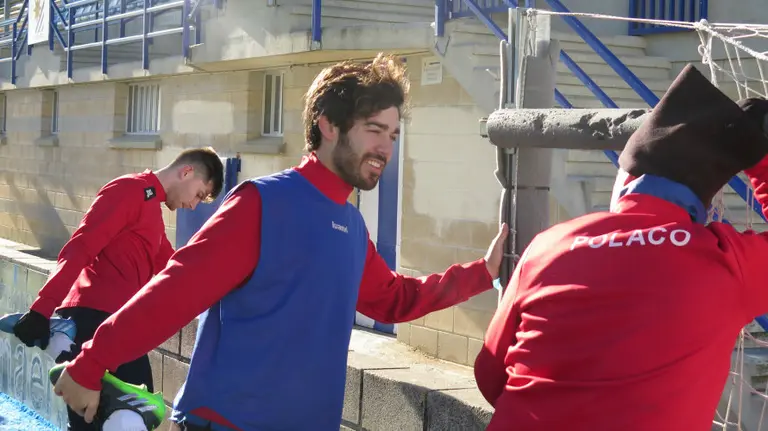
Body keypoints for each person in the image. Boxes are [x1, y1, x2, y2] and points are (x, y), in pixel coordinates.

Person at [49, 53, 508, 431]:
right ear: (328, 124)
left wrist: (481, 274)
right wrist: (92, 364)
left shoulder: (351, 226)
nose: (385, 148)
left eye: (392, 134)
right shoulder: (261, 203)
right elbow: (173, 292)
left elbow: (392, 300)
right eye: (373, 129)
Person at [474, 63, 768, 430]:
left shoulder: (547, 245)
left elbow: (489, 375)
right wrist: (760, 160)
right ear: (702, 204)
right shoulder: (725, 260)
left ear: (625, 181)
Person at [12, 147, 224, 431]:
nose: (194, 205)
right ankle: (62, 338)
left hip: (120, 329)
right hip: (94, 324)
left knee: (130, 418)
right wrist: (41, 308)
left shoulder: (152, 215)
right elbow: (80, 248)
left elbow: (176, 273)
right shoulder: (129, 190)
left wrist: (229, 291)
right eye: (199, 194)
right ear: (186, 172)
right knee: (120, 421)